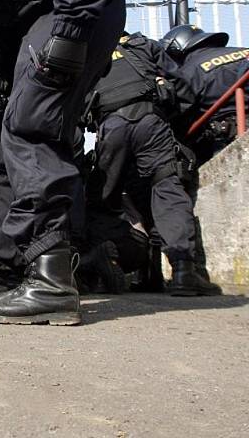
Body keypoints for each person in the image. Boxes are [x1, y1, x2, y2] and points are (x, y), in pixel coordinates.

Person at [0, 0, 127, 325]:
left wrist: (71, 32)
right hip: (40, 19)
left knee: (30, 125)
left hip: (74, 4)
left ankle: (51, 279)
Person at [86, 31, 220, 297]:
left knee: (103, 200)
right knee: (166, 187)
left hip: (110, 127)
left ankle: (107, 260)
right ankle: (183, 271)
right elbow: (182, 88)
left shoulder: (89, 51)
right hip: (150, 120)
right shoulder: (141, 44)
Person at [161, 25, 249, 165]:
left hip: (229, 133)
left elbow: (182, 109)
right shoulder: (244, 52)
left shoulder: (187, 72)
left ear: (175, 50)